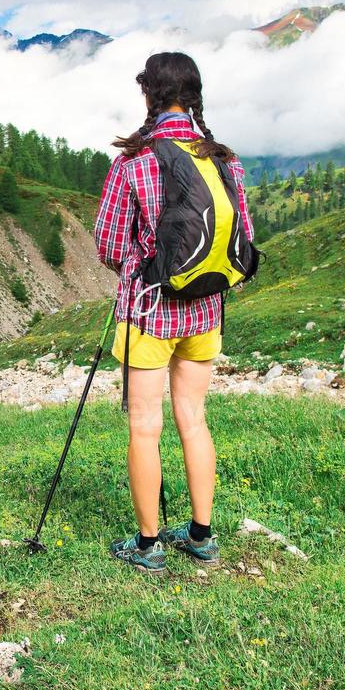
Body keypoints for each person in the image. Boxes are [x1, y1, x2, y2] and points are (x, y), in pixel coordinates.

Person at [92, 51, 254, 574]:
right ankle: (202, 537)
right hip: (206, 311)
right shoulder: (224, 161)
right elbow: (242, 237)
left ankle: (148, 545)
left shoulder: (132, 163)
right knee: (194, 418)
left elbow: (110, 246)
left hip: (149, 313)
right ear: (195, 96)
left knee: (145, 425)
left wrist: (142, 263)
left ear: (149, 95)